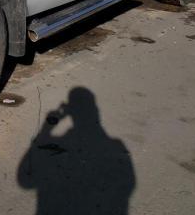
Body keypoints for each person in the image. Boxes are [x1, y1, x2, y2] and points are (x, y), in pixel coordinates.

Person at [18, 87, 136, 215]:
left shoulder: (63, 142)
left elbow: (24, 180)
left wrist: (46, 129)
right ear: (96, 111)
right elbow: (127, 186)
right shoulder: (117, 147)